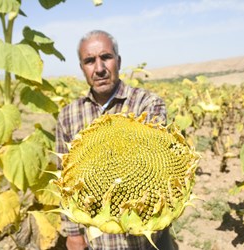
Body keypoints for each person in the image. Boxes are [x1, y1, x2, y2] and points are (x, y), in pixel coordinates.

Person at [56, 30, 174, 250]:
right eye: (90, 61)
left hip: (144, 238)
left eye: (106, 57)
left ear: (118, 61)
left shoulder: (147, 103)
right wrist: (73, 233)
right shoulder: (68, 116)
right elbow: (65, 181)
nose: (99, 68)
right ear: (82, 68)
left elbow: (149, 161)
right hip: (97, 241)